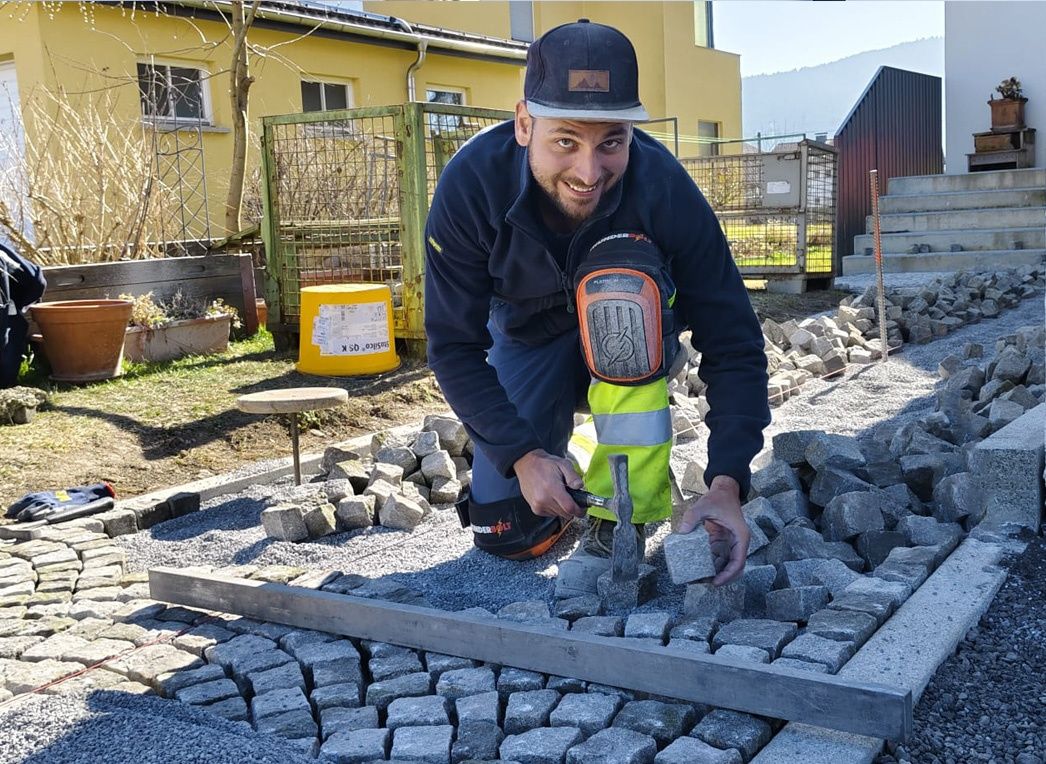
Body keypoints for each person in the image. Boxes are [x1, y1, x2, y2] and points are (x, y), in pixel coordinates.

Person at [423, 18, 770, 596]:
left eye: (611, 141)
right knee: (511, 531)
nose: (589, 173)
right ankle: (576, 452)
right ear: (524, 123)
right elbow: (454, 345)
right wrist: (522, 454)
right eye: (565, 141)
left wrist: (728, 481)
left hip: (628, 345)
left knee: (622, 296)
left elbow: (732, 338)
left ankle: (627, 503)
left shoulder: (665, 190)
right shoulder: (471, 187)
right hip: (528, 338)